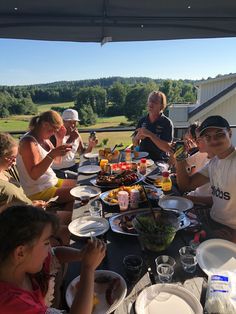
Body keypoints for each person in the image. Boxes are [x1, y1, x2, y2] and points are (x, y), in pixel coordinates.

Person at [0, 205, 106, 314]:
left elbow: (55, 254)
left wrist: (81, 254)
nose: (50, 246)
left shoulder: (21, 265)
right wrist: (88, 268)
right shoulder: (12, 305)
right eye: (46, 243)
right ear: (20, 252)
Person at [175, 115, 236, 241]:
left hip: (229, 230)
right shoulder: (213, 162)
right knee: (172, 219)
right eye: (208, 137)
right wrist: (179, 157)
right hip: (211, 218)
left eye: (219, 134)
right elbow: (186, 185)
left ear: (229, 133)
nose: (213, 140)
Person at [51, 109, 98, 179]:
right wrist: (71, 139)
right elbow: (58, 156)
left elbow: (82, 154)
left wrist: (90, 145)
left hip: (72, 167)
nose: (73, 125)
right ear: (62, 122)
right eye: (70, 122)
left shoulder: (76, 135)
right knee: (83, 178)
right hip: (57, 171)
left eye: (75, 122)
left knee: (95, 174)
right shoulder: (54, 135)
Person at [133, 91, 174, 161]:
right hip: (142, 161)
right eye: (150, 101)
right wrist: (136, 138)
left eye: (155, 102)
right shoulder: (142, 121)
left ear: (161, 105)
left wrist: (149, 134)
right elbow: (134, 143)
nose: (151, 104)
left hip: (159, 161)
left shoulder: (166, 123)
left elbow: (167, 148)